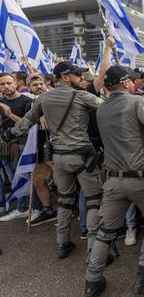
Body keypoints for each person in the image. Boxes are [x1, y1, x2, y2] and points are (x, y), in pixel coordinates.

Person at [0, 61, 103, 259]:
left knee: (64, 201)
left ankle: (62, 243)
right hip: (82, 156)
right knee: (93, 201)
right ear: (66, 77)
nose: (81, 78)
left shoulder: (43, 99)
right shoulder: (81, 95)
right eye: (77, 75)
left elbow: (24, 124)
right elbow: (107, 108)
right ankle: (94, 248)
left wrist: (6, 136)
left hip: (59, 158)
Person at [84, 66, 144, 297]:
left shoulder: (101, 109)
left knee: (105, 232)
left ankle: (92, 281)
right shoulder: (137, 101)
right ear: (128, 82)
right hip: (140, 178)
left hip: (112, 180)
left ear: (108, 86)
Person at [0, 73, 36, 221]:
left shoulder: (27, 101)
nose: (6, 86)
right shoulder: (1, 101)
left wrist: (10, 114)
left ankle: (26, 208)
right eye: (2, 84)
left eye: (9, 83)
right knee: (12, 177)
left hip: (23, 145)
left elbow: (29, 125)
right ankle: (22, 206)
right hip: (5, 146)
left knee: (23, 177)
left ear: (16, 83)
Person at [25, 74, 57, 226]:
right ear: (29, 89)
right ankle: (48, 210)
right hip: (39, 147)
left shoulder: (56, 98)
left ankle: (73, 210)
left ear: (46, 84)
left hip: (59, 148)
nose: (38, 86)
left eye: (40, 83)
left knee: (65, 182)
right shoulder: (31, 104)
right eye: (34, 85)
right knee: (38, 180)